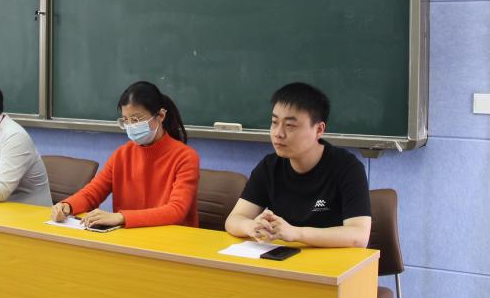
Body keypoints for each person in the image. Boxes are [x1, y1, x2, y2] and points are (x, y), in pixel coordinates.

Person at [225, 82, 371, 247]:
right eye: (274, 122)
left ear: (319, 130)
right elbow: (233, 220)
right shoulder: (269, 166)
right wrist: (251, 226)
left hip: (333, 260)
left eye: (290, 126)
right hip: (284, 257)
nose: (278, 133)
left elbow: (359, 236)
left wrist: (296, 233)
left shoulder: (347, 167)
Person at [49, 81, 199, 228]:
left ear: (160, 115)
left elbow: (176, 211)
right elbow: (92, 192)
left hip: (172, 238)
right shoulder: (122, 155)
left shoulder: (185, 157)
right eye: (126, 120)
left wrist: (121, 217)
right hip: (128, 237)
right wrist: (67, 206)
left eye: (136, 119)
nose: (131, 126)